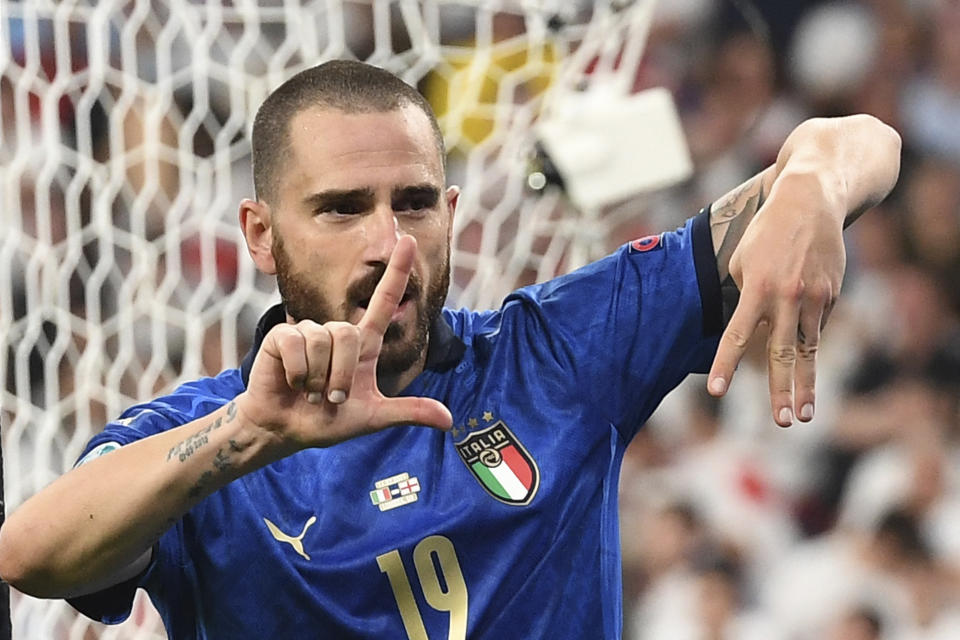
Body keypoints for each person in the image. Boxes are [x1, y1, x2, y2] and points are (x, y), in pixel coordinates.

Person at [0, 60, 900, 639]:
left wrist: (815, 184)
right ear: (261, 235)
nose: (388, 242)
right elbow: (30, 553)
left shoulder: (555, 357)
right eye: (342, 208)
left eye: (415, 203)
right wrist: (247, 436)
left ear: (455, 217)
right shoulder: (206, 437)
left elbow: (864, 142)